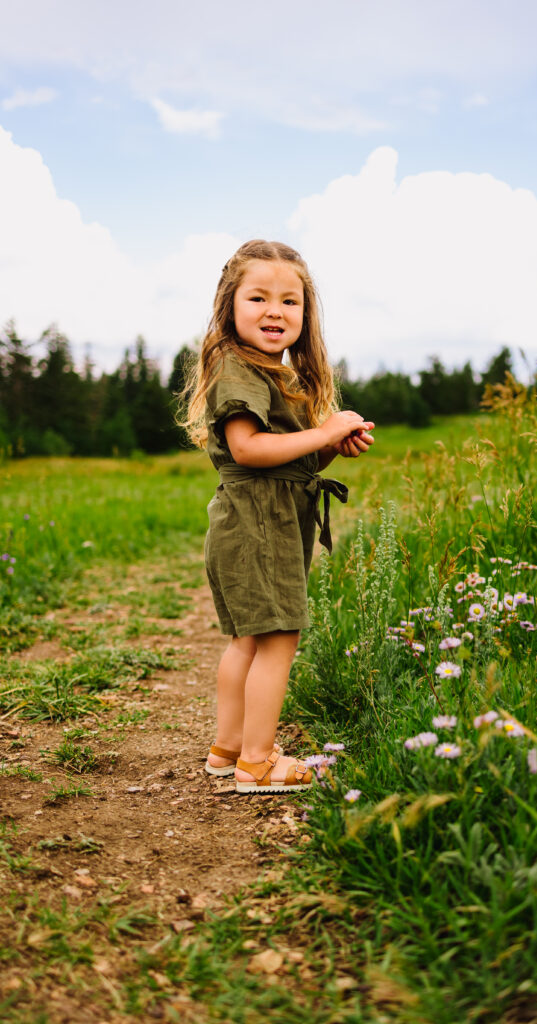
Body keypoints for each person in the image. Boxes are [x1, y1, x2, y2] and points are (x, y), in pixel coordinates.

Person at [182, 240, 374, 794]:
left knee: (248, 638)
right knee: (276, 637)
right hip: (257, 520)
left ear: (305, 314)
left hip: (260, 520)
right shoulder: (238, 369)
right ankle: (259, 763)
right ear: (230, 306)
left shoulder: (268, 371)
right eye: (259, 297)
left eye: (290, 302)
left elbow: (290, 458)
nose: (275, 311)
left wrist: (333, 447)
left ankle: (230, 749)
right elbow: (248, 450)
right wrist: (325, 430)